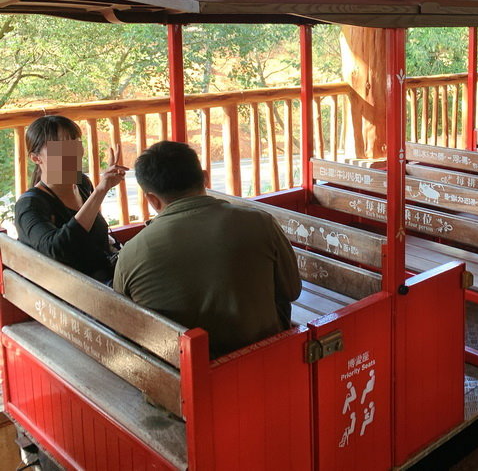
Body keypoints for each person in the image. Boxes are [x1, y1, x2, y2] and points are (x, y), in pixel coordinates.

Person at [113, 141, 301, 358]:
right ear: (205, 177)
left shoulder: (131, 253)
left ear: (152, 199)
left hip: (179, 373)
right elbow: (291, 291)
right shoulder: (260, 222)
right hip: (259, 359)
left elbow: (126, 326)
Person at [15, 115, 127, 282]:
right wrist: (100, 191)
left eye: (75, 144)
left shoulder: (82, 183)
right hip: (76, 293)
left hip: (106, 279)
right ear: (36, 158)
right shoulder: (30, 205)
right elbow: (58, 249)